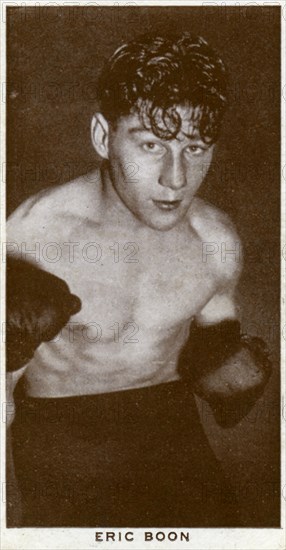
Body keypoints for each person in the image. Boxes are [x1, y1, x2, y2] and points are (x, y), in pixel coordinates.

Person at [7, 32, 271, 527]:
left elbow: (220, 350)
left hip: (171, 426)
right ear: (104, 137)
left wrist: (228, 362)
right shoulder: (32, 238)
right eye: (151, 144)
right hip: (64, 444)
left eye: (195, 147)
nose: (176, 178)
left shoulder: (216, 240)